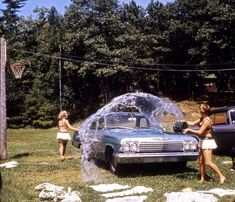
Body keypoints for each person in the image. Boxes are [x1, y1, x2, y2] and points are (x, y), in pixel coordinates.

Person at [183, 103, 226, 184]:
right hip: (203, 141)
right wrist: (183, 121)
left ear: (204, 111)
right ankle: (203, 178)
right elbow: (192, 123)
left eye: (201, 109)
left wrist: (189, 131)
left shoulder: (206, 121)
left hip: (207, 141)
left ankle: (221, 176)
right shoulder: (202, 118)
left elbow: (200, 132)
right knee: (200, 161)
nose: (199, 110)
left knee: (208, 162)